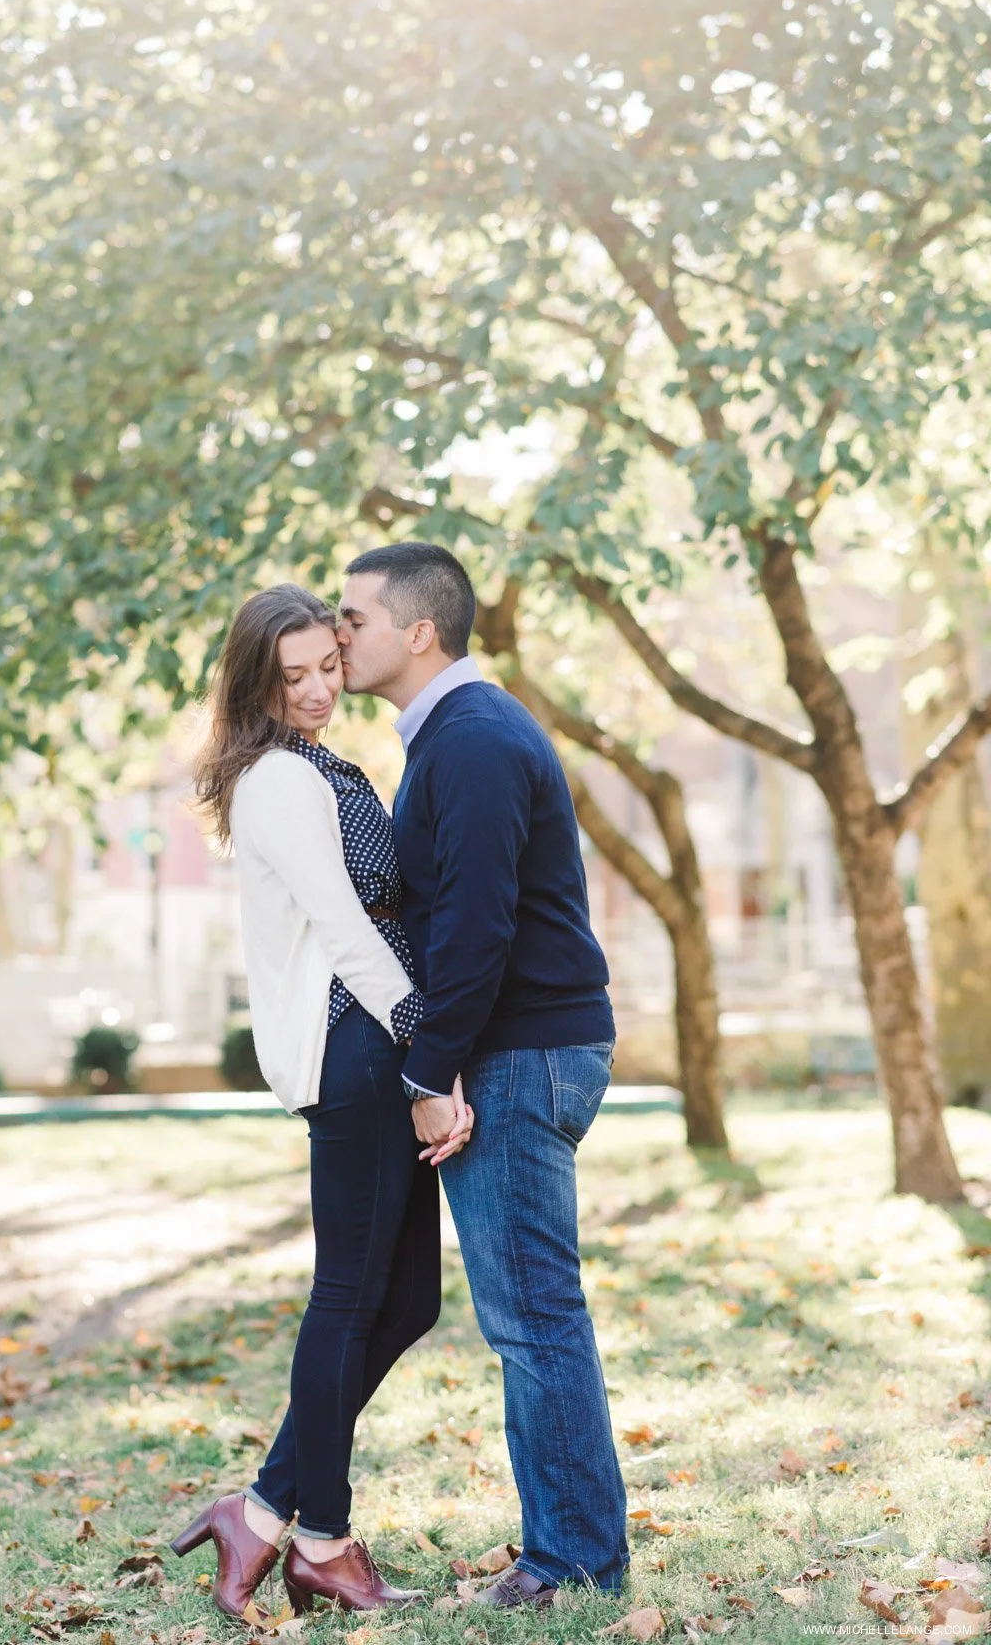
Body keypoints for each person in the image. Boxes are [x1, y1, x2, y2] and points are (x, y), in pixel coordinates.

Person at [171, 583, 473, 1620]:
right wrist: (425, 1053)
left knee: (409, 1299)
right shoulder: (277, 781)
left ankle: (260, 1513)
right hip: (355, 1045)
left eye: (326, 667)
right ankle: (325, 1542)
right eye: (290, 675)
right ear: (255, 681)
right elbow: (350, 930)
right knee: (350, 1292)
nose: (314, 689)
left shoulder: (314, 766)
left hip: (374, 1038)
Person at [337, 542, 629, 1605]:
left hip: (522, 1053)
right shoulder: (458, 735)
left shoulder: (470, 739)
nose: (337, 635)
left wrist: (432, 1072)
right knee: (535, 1314)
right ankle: (573, 1548)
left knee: (534, 1317)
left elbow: (475, 929)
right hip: (521, 1048)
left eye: (353, 617)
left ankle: (574, 1565)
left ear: (419, 632)